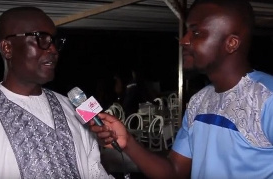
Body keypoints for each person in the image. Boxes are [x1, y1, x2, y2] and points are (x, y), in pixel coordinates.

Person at [89, 0, 273, 178]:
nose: (183, 41)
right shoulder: (199, 101)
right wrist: (128, 142)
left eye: (196, 33)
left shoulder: (266, 98)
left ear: (231, 43)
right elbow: (175, 171)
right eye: (186, 32)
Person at [0, 6, 114, 179]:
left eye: (53, 40)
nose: (53, 50)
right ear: (7, 48)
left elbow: (94, 171)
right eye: (41, 39)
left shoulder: (72, 108)